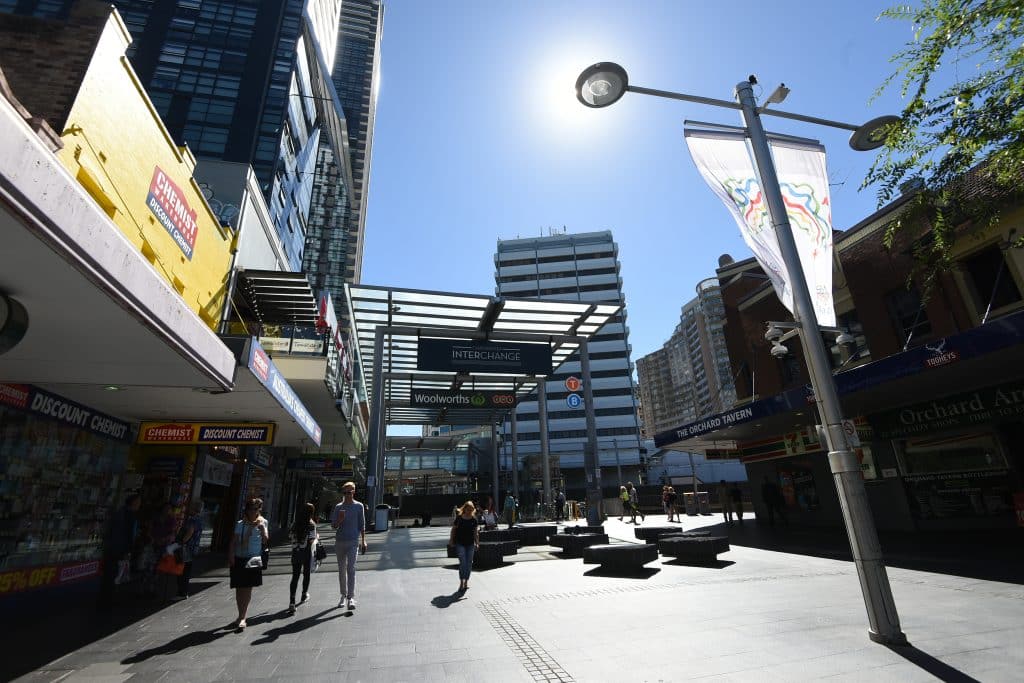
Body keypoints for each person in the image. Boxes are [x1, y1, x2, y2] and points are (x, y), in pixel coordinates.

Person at [227, 498, 269, 630]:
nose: (253, 512)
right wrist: (231, 555)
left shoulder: (263, 522)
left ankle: (242, 617)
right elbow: (233, 541)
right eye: (251, 509)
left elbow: (266, 540)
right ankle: (240, 615)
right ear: (247, 510)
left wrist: (262, 531)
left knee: (247, 588)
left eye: (256, 509)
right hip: (239, 557)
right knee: (240, 588)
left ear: (259, 510)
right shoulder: (241, 524)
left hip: (253, 559)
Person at [98, 493, 141, 610]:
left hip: (111, 547)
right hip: (119, 548)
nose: (139, 505)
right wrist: (128, 550)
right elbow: (130, 534)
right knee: (114, 573)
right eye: (138, 502)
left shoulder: (120, 512)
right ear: (133, 503)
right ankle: (107, 599)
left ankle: (104, 597)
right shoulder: (130, 516)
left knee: (109, 573)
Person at [331, 481, 366, 610]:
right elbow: (333, 525)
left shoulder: (359, 506)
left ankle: (350, 597)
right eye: (345, 492)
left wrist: (364, 540)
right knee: (341, 570)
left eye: (349, 492)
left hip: (353, 541)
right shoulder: (338, 507)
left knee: (350, 568)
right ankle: (342, 595)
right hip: (340, 541)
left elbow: (362, 524)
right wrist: (339, 520)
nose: (347, 495)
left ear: (354, 492)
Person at [288, 502, 319, 613]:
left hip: (296, 552)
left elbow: (290, 536)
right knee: (306, 574)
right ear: (311, 513)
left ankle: (292, 601)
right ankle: (304, 595)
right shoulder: (311, 524)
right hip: (306, 553)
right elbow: (311, 540)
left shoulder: (295, 523)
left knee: (295, 576)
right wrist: (316, 538)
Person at [174, 500, 204, 600]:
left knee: (183, 571)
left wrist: (182, 541)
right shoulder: (200, 520)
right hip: (193, 549)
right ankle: (184, 591)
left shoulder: (192, 520)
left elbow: (190, 532)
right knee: (187, 571)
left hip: (186, 548)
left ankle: (182, 592)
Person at [449, 500, 480, 591]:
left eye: (471, 510)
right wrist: (451, 540)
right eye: (468, 509)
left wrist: (477, 543)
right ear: (465, 508)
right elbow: (453, 530)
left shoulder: (474, 520)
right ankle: (461, 582)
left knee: (469, 563)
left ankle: (466, 581)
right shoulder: (459, 518)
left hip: (470, 544)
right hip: (460, 543)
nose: (469, 511)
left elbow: (475, 533)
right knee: (463, 562)